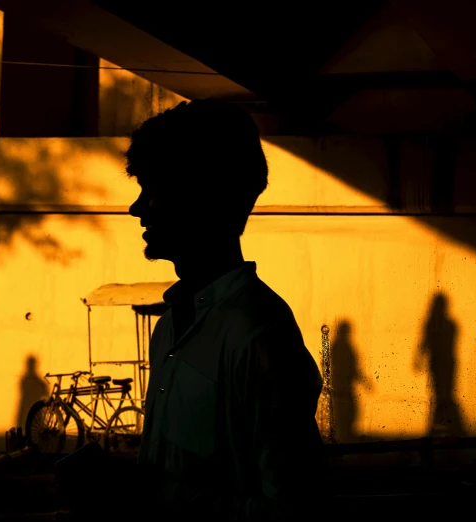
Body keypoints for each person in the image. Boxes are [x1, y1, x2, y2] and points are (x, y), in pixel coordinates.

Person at [125, 98, 327, 520]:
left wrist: (161, 496)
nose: (137, 208)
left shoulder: (258, 336)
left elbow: (296, 513)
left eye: (152, 189)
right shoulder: (169, 329)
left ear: (196, 198)